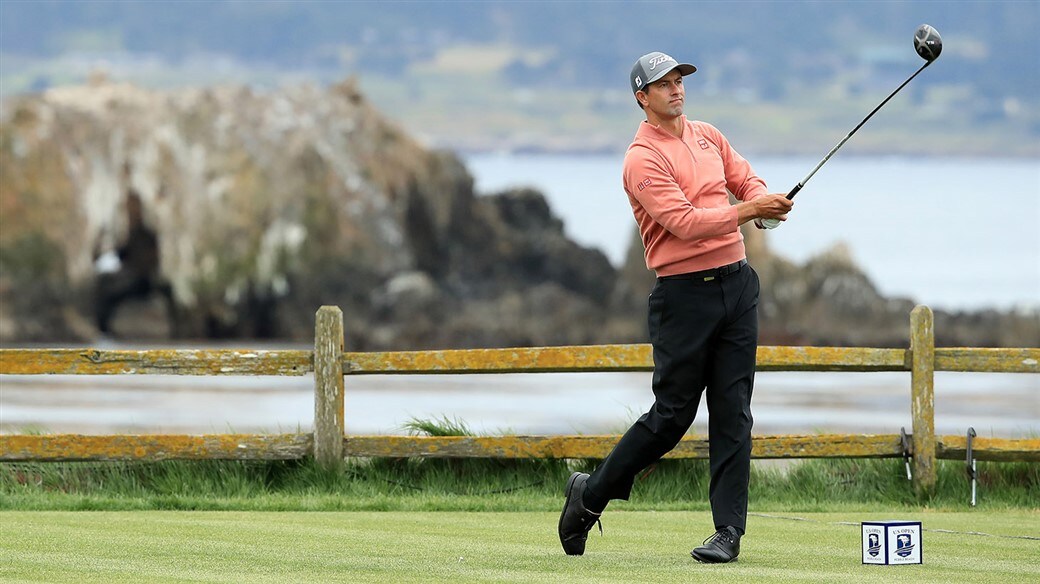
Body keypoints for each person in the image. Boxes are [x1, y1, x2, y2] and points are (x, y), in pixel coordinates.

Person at [558, 52, 794, 563]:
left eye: (679, 80)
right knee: (671, 417)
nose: (676, 89)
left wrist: (765, 203)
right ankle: (591, 495)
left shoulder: (708, 134)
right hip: (683, 297)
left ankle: (728, 532)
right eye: (663, 84)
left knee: (733, 412)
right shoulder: (641, 159)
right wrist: (751, 210)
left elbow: (744, 179)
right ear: (642, 97)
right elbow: (686, 223)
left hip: (737, 286)